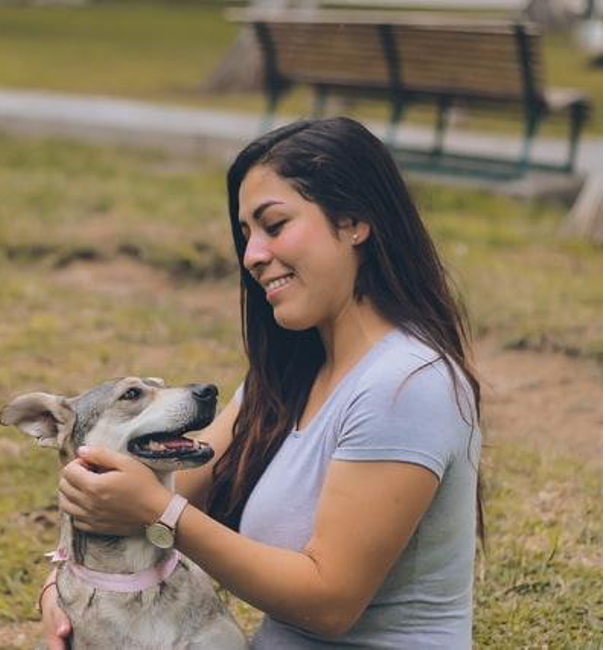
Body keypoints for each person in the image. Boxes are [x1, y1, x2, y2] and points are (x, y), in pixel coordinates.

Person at [39, 117, 483, 648]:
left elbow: (330, 602)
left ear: (354, 220)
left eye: (274, 225)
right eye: (246, 234)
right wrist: (65, 581)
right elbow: (168, 483)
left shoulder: (408, 386)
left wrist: (159, 512)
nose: (251, 256)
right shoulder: (290, 375)